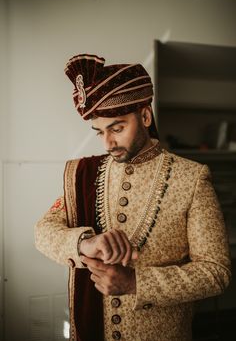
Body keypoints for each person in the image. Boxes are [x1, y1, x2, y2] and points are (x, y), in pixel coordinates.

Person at [35, 54, 231, 341]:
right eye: (100, 132)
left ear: (145, 116)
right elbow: (42, 232)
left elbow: (216, 273)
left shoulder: (192, 178)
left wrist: (136, 282)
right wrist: (85, 243)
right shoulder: (85, 174)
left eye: (117, 128)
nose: (108, 143)